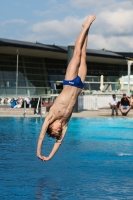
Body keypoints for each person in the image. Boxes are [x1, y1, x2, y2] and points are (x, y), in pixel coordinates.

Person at [37, 14, 96, 162]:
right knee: (83, 55)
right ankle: (86, 28)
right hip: (79, 85)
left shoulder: (50, 117)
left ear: (51, 127)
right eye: (59, 132)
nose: (58, 131)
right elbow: (59, 142)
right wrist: (49, 156)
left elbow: (41, 136)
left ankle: (87, 23)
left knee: (76, 53)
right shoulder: (65, 123)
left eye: (56, 131)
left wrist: (39, 152)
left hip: (69, 83)